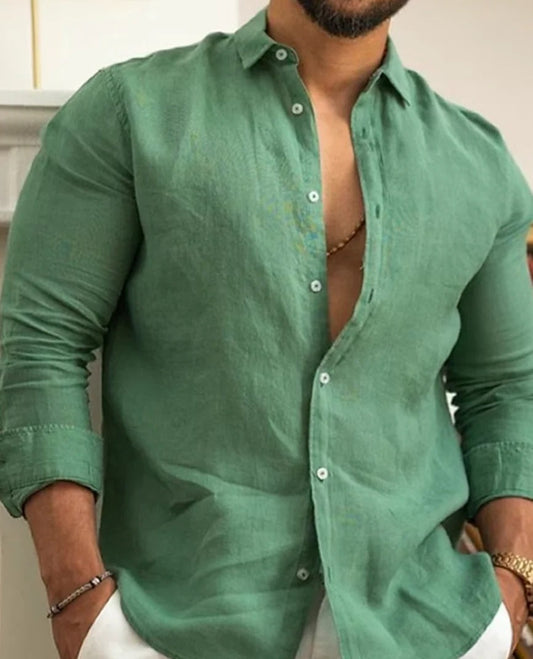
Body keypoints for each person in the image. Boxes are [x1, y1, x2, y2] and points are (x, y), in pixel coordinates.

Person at [0, 1, 532, 658]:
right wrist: (76, 597)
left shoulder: (479, 164)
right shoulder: (128, 113)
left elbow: (506, 389)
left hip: (427, 628)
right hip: (173, 626)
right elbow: (43, 346)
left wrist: (513, 581)